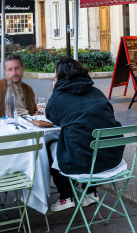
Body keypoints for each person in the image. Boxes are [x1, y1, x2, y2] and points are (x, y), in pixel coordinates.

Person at [45, 58, 123, 213]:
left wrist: (55, 91)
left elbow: (51, 116)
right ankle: (90, 192)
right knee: (87, 139)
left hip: (82, 162)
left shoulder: (59, 96)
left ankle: (66, 196)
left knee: (53, 144)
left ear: (59, 76)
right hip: (112, 159)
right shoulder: (97, 92)